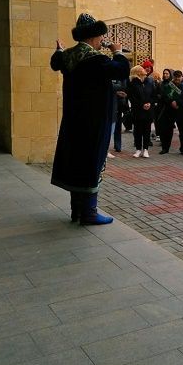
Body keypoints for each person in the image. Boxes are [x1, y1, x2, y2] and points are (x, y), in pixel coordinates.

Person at [50, 13, 129, 225]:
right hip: (94, 122)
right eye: (101, 36)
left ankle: (76, 210)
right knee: (92, 163)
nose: (103, 40)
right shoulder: (97, 60)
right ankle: (89, 213)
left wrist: (59, 48)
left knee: (75, 163)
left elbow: (55, 61)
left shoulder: (67, 57)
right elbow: (122, 70)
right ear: (93, 37)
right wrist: (118, 52)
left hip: (73, 121)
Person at [127, 65, 156, 159]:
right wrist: (142, 105)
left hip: (148, 111)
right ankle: (138, 149)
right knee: (138, 131)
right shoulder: (133, 83)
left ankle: (146, 150)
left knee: (147, 131)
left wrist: (150, 103)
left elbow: (153, 95)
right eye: (142, 69)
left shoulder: (149, 82)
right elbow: (132, 98)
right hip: (138, 111)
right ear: (138, 72)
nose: (145, 70)